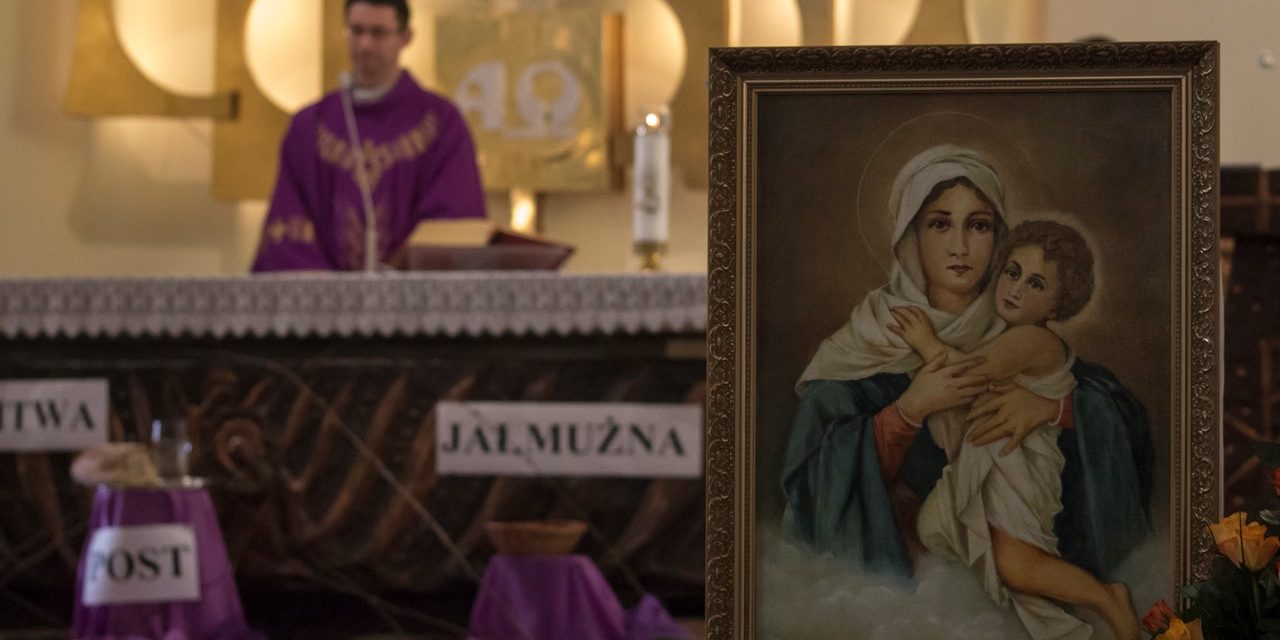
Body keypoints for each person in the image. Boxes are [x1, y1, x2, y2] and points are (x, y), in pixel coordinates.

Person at [780, 144, 1153, 590]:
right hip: (905, 594)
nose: (960, 247)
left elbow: (1125, 423)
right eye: (940, 224)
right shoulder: (867, 341)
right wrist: (907, 412)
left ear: (999, 237)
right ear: (910, 235)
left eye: (978, 225)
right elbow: (814, 482)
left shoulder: (1022, 329)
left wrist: (1055, 410)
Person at [890, 219, 1139, 640]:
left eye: (1036, 284)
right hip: (995, 464)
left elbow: (969, 376)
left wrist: (926, 342)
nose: (1016, 289)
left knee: (1015, 565)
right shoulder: (1007, 335)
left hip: (1020, 471)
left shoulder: (1034, 340)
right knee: (940, 528)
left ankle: (1107, 598)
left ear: (1056, 307)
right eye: (1013, 272)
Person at [251, 0, 486, 272]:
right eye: (357, 31)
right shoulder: (308, 126)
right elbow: (288, 223)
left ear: (406, 37)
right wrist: (327, 289)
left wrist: (399, 282)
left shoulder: (442, 122)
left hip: (413, 295)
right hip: (323, 295)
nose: (365, 45)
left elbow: (455, 222)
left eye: (378, 33)